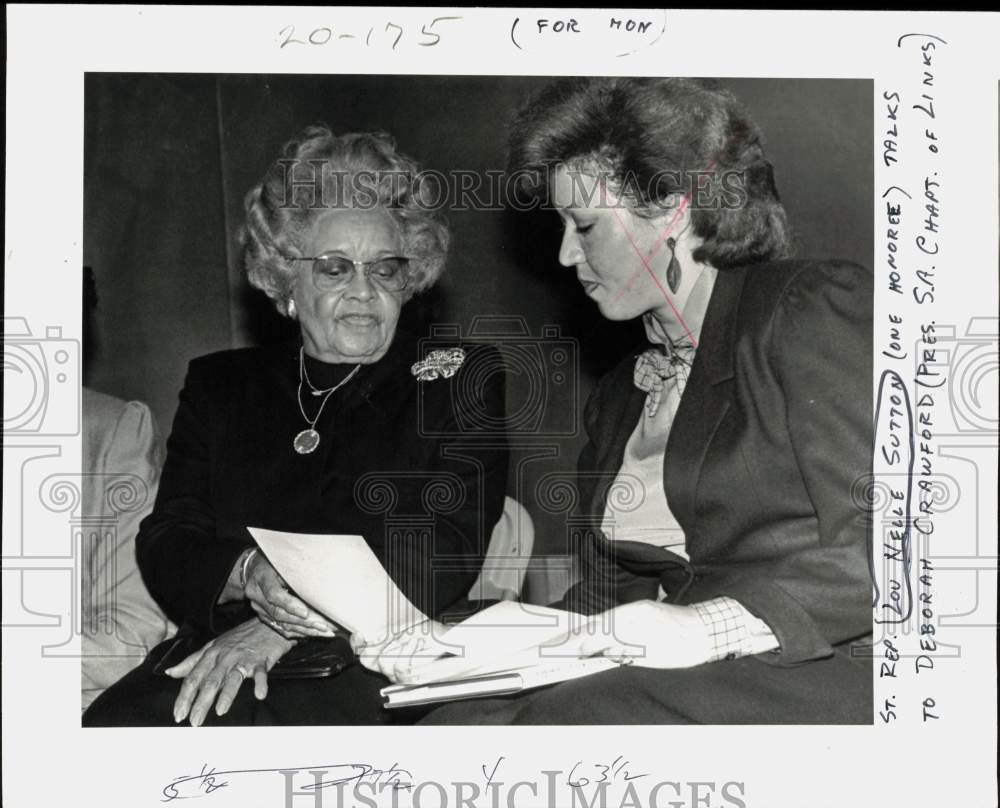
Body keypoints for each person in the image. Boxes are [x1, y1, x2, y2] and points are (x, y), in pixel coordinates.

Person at [419, 77, 873, 724]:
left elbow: (898, 542)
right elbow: (612, 597)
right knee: (449, 722)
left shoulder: (805, 309)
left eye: (583, 225)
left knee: (568, 722)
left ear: (673, 210)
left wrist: (705, 629)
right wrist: (482, 640)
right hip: (683, 683)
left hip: (819, 667)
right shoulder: (620, 393)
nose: (565, 253)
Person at [83, 126, 509, 726]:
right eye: (335, 269)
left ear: (408, 281)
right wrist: (245, 575)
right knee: (111, 731)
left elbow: (443, 550)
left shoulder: (457, 378)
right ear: (286, 281)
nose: (363, 292)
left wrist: (279, 628)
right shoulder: (222, 386)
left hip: (373, 659)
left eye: (385, 269)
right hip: (213, 651)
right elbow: (168, 537)